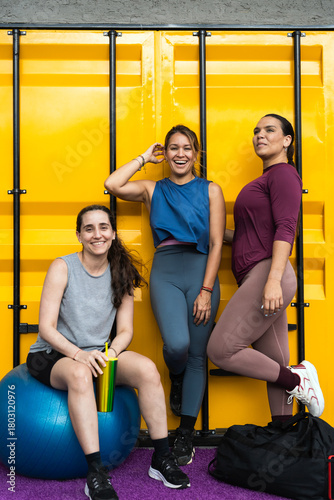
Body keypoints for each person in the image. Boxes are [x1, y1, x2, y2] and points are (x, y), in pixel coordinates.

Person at [26, 205, 190, 500]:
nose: (97, 234)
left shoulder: (123, 272)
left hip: (99, 352)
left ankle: (161, 458)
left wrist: (111, 352)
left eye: (104, 227)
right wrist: (79, 355)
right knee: (80, 375)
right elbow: (47, 328)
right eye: (89, 228)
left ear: (113, 234)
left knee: (148, 370)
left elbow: (125, 330)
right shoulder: (62, 267)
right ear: (79, 235)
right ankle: (96, 473)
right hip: (54, 354)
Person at [104, 125, 225, 465]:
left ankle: (185, 434)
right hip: (166, 271)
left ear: (196, 154)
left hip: (202, 271)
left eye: (187, 148)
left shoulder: (211, 190)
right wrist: (144, 157)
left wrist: (205, 289)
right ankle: (176, 374)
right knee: (177, 346)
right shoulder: (152, 189)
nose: (180, 154)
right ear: (166, 154)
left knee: (198, 355)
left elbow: (217, 243)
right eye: (173, 148)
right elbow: (112, 185)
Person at [207, 114, 324, 422]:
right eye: (256, 131)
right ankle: (283, 436)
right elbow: (251, 235)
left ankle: (298, 380)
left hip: (268, 274)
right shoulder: (264, 180)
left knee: (221, 350)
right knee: (275, 362)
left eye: (269, 130)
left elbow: (287, 228)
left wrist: (272, 281)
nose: (260, 135)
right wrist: (212, 234)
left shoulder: (283, 174)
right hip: (259, 275)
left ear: (287, 141)